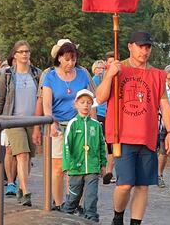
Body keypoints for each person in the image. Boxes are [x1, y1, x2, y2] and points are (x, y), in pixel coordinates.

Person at [95, 31, 170, 225]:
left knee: (142, 185)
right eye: (141, 46)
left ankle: (136, 222)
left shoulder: (157, 75)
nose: (144, 51)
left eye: (147, 47)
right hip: (122, 135)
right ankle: (118, 216)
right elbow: (99, 97)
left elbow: (164, 104)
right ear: (130, 46)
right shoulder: (118, 68)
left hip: (147, 137)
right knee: (125, 184)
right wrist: (109, 75)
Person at [42, 40, 95, 209]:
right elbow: (47, 103)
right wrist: (50, 122)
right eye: (67, 59)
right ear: (59, 58)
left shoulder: (81, 74)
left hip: (77, 124)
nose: (70, 63)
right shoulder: (49, 76)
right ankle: (58, 203)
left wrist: (93, 123)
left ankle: (73, 203)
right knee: (58, 167)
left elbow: (89, 99)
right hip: (57, 123)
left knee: (76, 167)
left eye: (73, 59)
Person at [0, 41, 43, 206]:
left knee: (28, 158)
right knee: (21, 154)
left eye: (27, 51)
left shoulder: (37, 74)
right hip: (13, 120)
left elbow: (42, 97)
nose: (24, 54)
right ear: (14, 55)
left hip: (33, 120)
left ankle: (22, 186)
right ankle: (26, 191)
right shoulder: (7, 75)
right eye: (21, 52)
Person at [61, 89, 107, 222]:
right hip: (76, 167)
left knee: (91, 196)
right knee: (74, 197)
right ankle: (66, 216)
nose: (85, 105)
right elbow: (67, 145)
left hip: (92, 167)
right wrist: (67, 164)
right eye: (82, 102)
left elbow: (101, 145)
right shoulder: (73, 124)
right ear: (76, 104)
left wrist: (103, 164)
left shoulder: (96, 125)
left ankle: (91, 218)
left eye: (88, 102)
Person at [94, 52, 116, 185]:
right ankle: (99, 169)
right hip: (100, 114)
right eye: (110, 61)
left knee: (111, 145)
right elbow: (93, 96)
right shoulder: (98, 78)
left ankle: (108, 172)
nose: (112, 64)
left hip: (113, 115)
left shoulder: (119, 76)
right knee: (99, 143)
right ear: (106, 63)